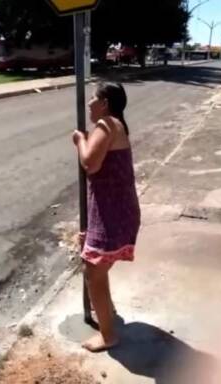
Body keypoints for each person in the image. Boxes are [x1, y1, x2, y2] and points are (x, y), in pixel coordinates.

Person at [72, 82, 141, 351]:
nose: (88, 103)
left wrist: (80, 141)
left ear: (105, 103)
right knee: (99, 268)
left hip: (111, 213)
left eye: (93, 98)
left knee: (93, 273)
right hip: (119, 210)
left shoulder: (106, 125)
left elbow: (90, 163)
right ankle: (107, 312)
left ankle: (108, 335)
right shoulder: (117, 125)